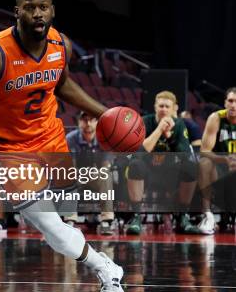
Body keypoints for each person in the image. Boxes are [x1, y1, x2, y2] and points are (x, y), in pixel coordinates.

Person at [0, 0, 125, 292]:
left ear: (52, 11)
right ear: (17, 12)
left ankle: (74, 239)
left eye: (43, 7)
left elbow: (62, 85)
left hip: (50, 137)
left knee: (62, 214)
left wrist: (105, 113)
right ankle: (106, 268)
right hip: (10, 149)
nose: (37, 13)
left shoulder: (62, 45)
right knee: (51, 227)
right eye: (30, 7)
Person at [124, 91, 200, 235]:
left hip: (170, 173)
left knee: (191, 167)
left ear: (173, 109)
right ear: (155, 107)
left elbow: (184, 155)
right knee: (135, 165)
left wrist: (169, 137)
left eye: (167, 106)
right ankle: (136, 217)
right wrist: (159, 130)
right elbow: (139, 152)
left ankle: (183, 217)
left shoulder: (179, 124)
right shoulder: (144, 122)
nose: (163, 109)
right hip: (148, 171)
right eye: (161, 106)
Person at [65, 111, 116, 235]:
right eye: (84, 120)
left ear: (97, 122)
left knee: (106, 175)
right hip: (77, 175)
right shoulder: (70, 139)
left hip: (97, 176)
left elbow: (106, 165)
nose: (88, 123)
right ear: (79, 122)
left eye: (92, 120)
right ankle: (70, 220)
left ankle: (106, 221)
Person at [197, 87, 236, 234]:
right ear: (225, 103)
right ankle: (207, 215)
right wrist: (224, 159)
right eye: (230, 101)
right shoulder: (216, 118)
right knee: (204, 163)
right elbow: (205, 151)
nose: (233, 105)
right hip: (220, 169)